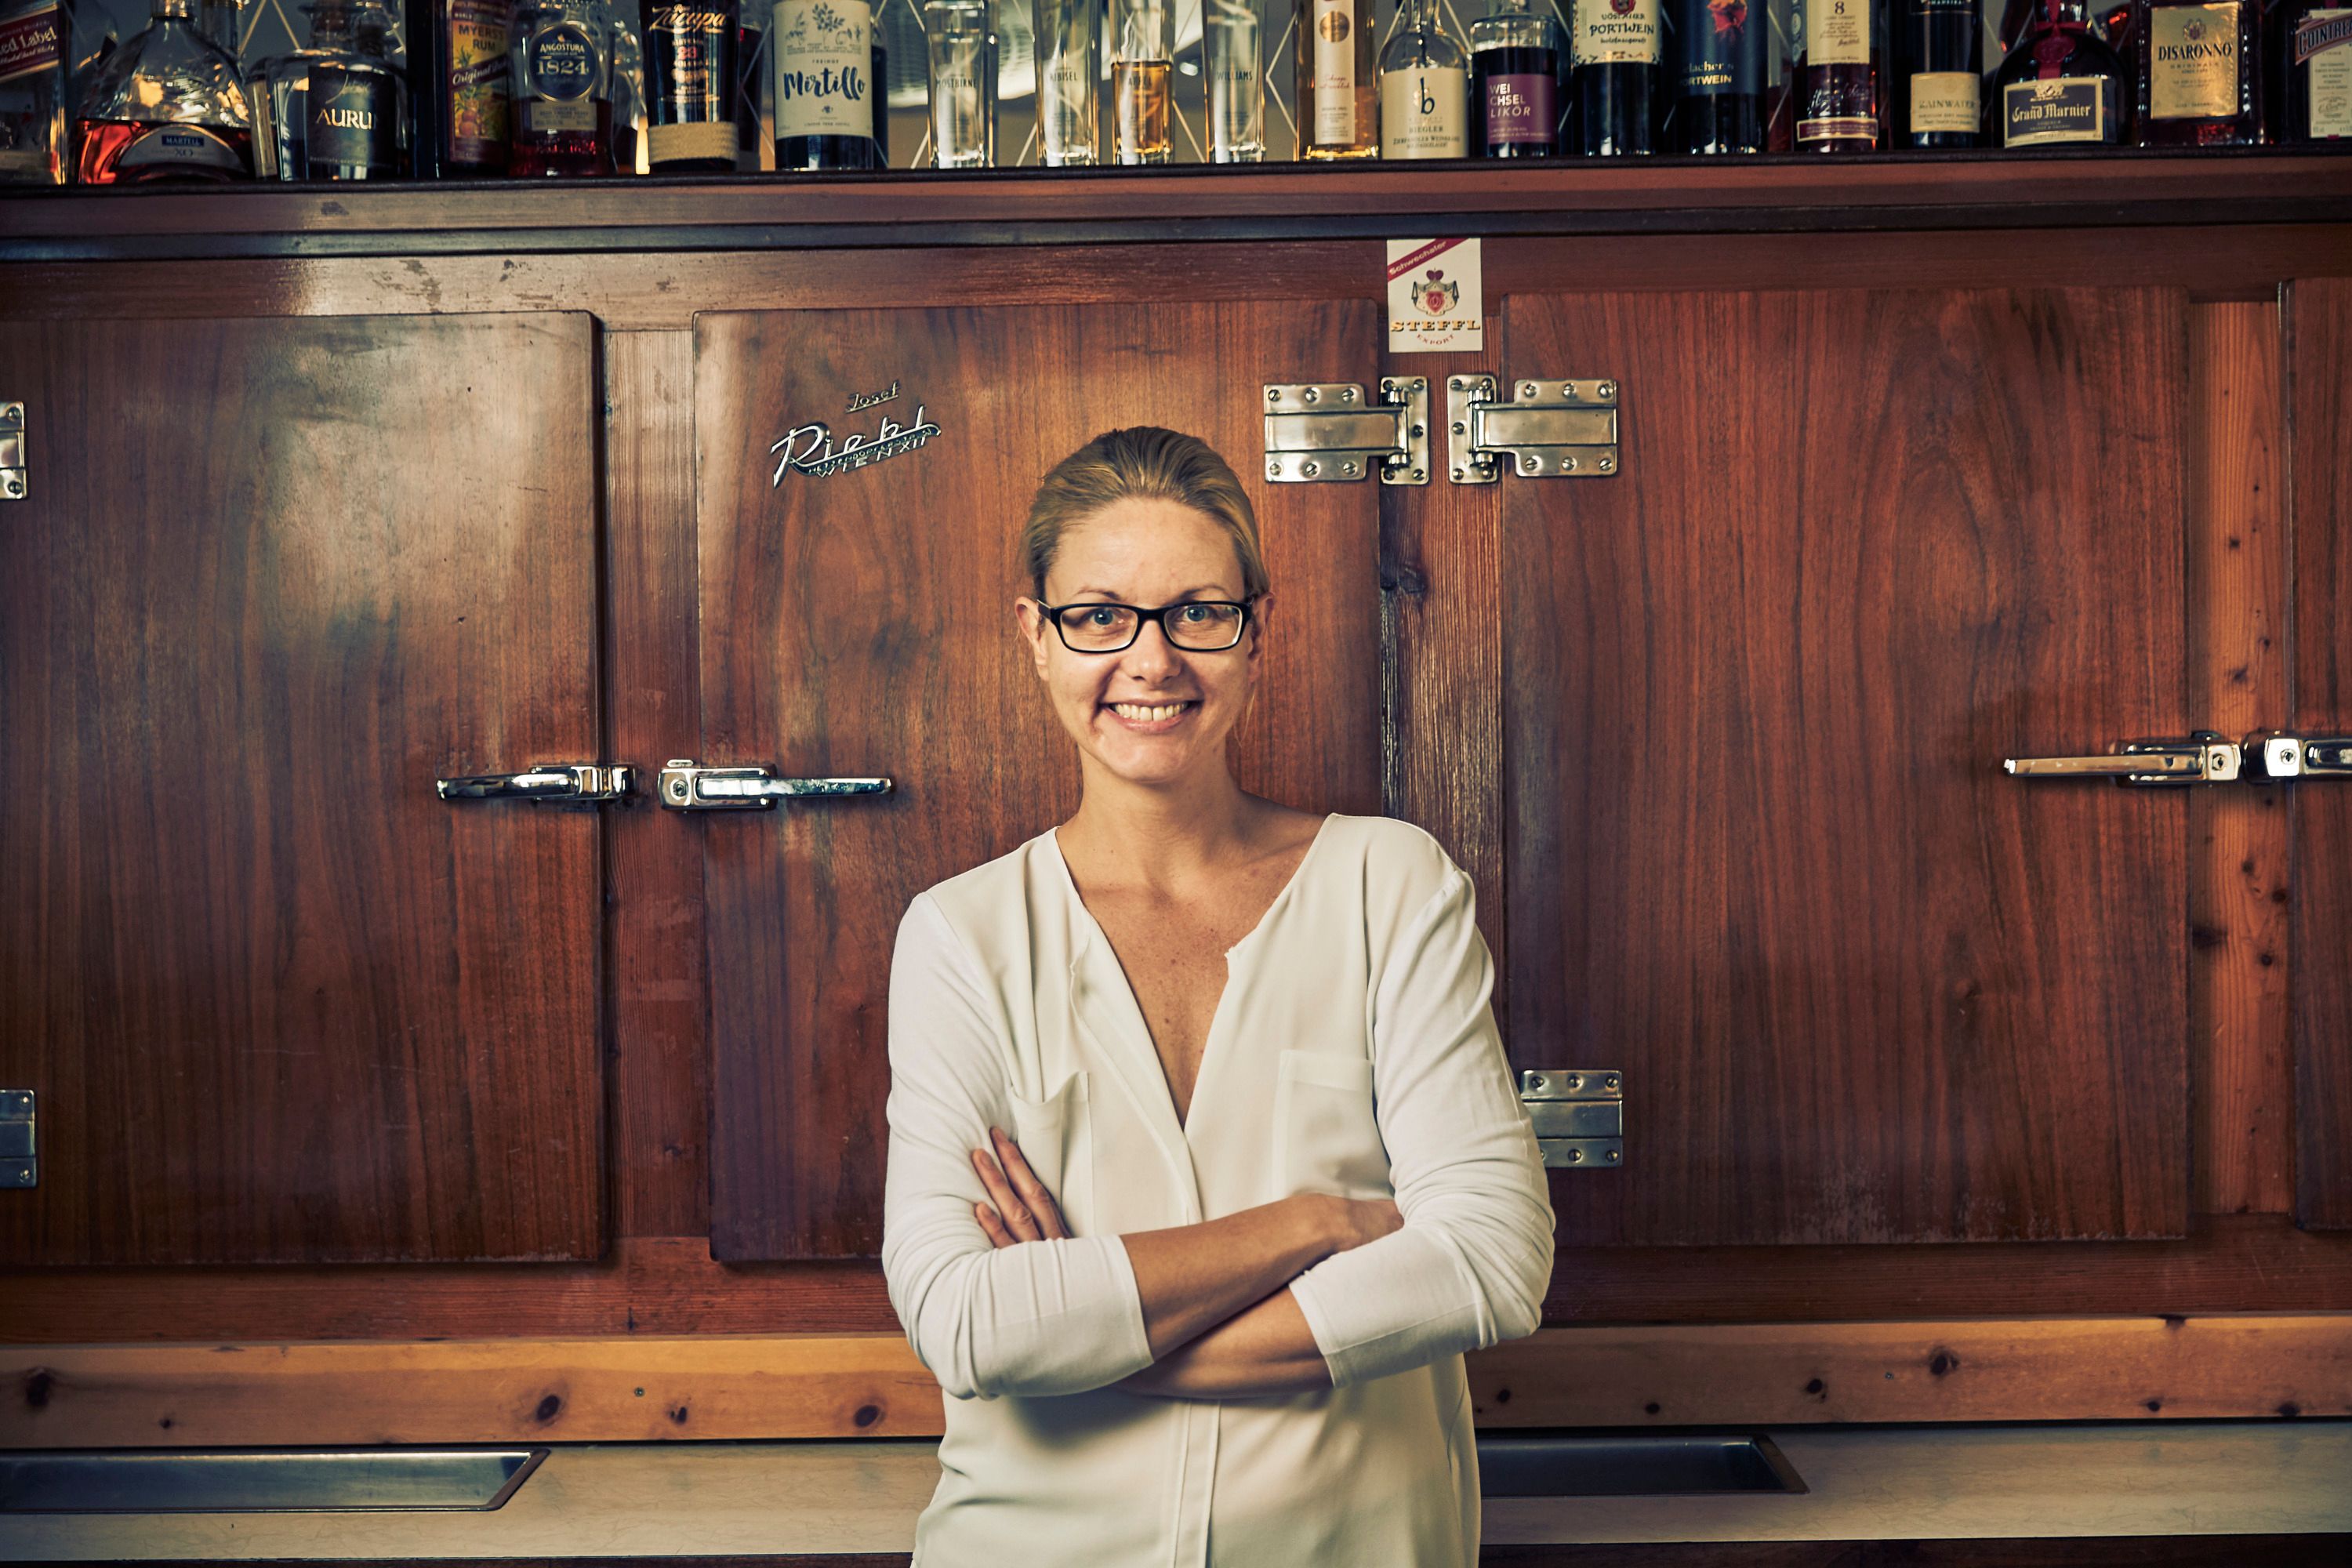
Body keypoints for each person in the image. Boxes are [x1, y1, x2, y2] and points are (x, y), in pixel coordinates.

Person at [879, 426, 1556, 1567]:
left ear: (1257, 632)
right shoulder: (963, 935)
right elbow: (964, 1321)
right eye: (1099, 616)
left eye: (1198, 610)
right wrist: (1316, 1225)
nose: (1151, 662)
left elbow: (1490, 1260)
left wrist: (1082, 1340)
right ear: (1035, 639)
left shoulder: (1390, 886)